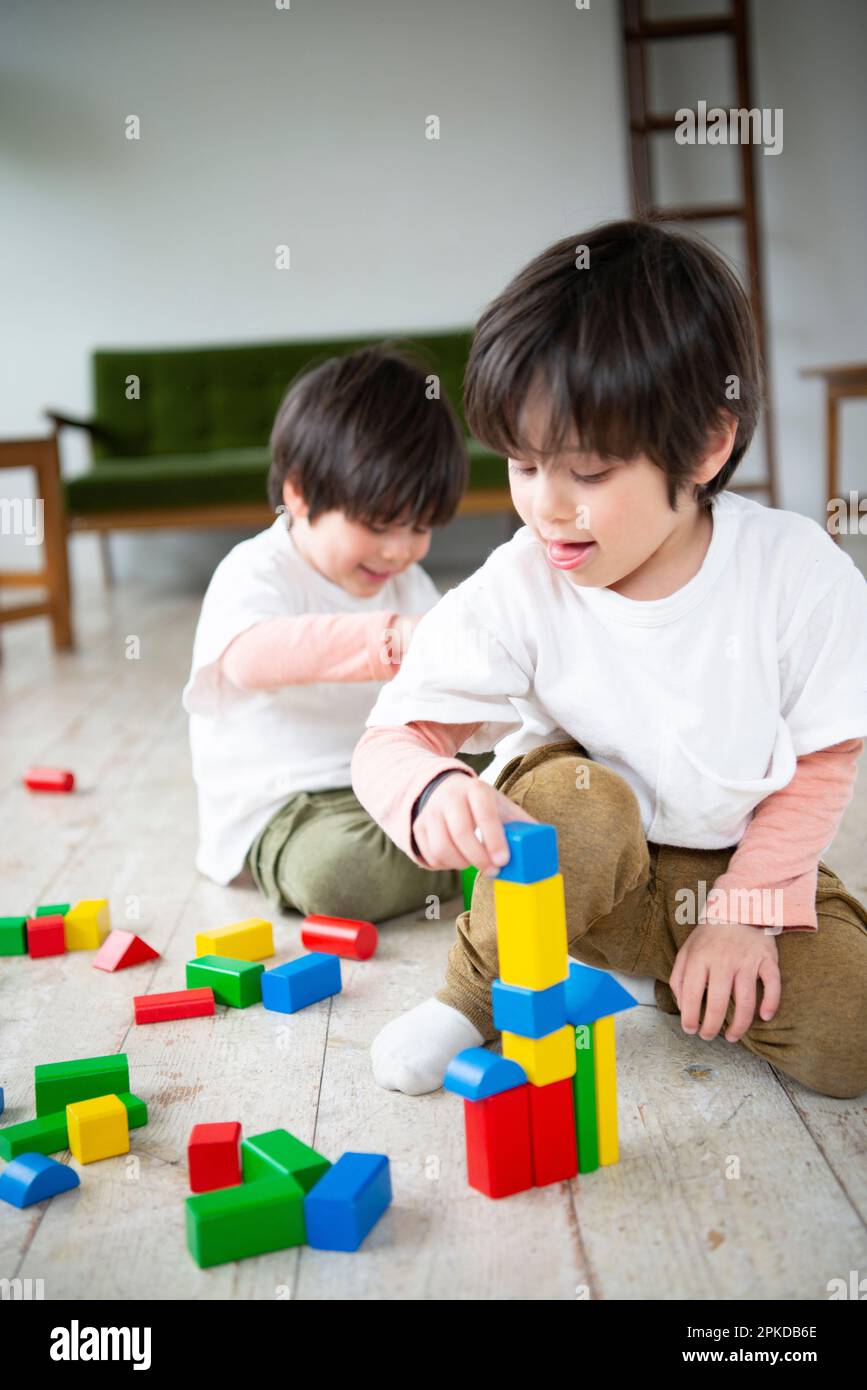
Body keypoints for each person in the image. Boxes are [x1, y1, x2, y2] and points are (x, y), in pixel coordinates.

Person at [352, 219, 867, 1099]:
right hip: (573, 857)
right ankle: (473, 998)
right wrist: (429, 788)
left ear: (706, 444)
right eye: (520, 464)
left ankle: (655, 976)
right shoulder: (521, 581)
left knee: (848, 1035)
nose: (543, 509)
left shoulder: (796, 573)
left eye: (586, 474)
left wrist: (743, 916)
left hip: (724, 868)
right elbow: (392, 736)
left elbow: (821, 761)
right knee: (574, 800)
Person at [182, 342, 489, 921]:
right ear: (298, 493)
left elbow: (440, 687)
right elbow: (250, 656)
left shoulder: (407, 579)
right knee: (341, 875)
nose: (400, 550)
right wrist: (392, 640)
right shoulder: (255, 571)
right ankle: (481, 847)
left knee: (517, 759)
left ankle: (476, 829)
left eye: (420, 527)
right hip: (291, 806)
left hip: (394, 776)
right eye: (377, 525)